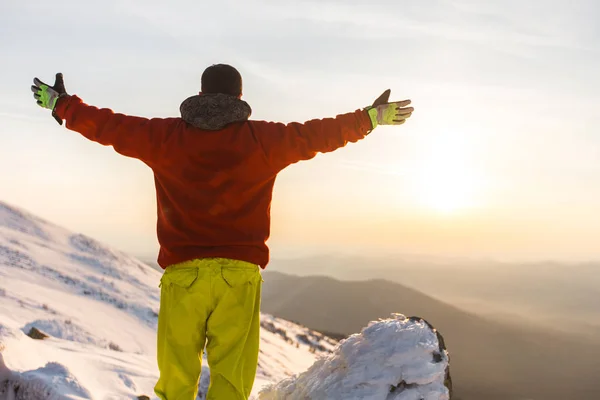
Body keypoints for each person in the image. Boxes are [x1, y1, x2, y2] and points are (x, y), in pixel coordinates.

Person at [30, 65, 414, 400]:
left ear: (200, 93)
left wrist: (61, 104)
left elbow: (110, 126)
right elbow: (318, 134)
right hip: (239, 276)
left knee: (177, 379)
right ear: (240, 96)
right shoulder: (263, 140)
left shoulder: (164, 137)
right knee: (231, 382)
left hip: (183, 276)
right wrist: (370, 118)